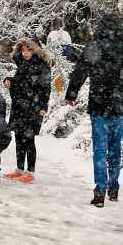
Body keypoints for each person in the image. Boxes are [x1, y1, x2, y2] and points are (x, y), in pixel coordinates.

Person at [65, 14, 123, 207]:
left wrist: (72, 94)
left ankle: (100, 190)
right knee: (115, 149)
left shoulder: (94, 47)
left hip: (99, 105)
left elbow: (80, 71)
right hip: (119, 105)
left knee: (100, 149)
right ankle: (113, 188)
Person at [3, 38, 52, 183]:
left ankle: (30, 172)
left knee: (29, 139)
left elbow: (45, 89)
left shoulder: (42, 66)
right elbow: (20, 82)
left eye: (28, 49)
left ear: (35, 50)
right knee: (19, 137)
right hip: (19, 106)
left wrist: (43, 106)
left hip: (34, 107)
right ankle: (19, 169)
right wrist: (9, 80)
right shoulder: (23, 64)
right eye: (23, 50)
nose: (25, 53)